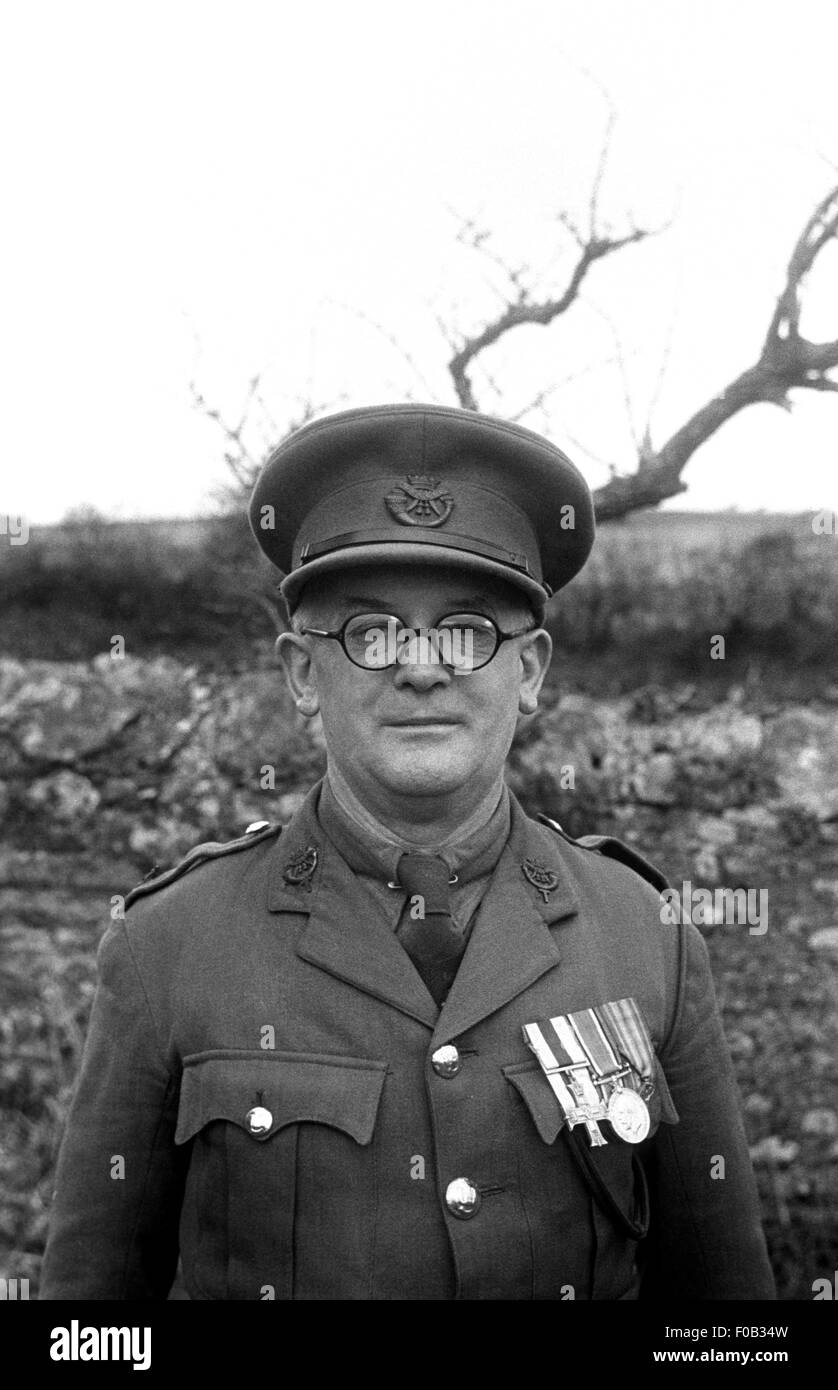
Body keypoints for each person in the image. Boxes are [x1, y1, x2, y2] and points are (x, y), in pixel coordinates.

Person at [40, 403, 776, 1300]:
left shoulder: (645, 935)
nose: (421, 667)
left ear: (531, 670)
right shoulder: (169, 946)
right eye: (372, 631)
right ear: (304, 674)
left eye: (467, 630)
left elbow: (730, 1327)